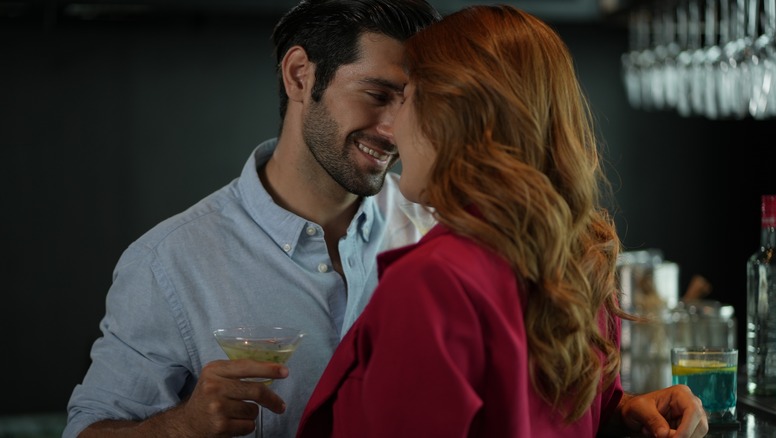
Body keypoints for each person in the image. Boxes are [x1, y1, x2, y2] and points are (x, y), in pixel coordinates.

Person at [295, 5, 709, 438]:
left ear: (454, 118)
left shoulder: (432, 280)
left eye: (409, 97)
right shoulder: (579, 261)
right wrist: (622, 414)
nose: (393, 128)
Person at [62, 1, 441, 437]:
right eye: (377, 96)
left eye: (412, 104)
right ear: (300, 74)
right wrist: (181, 427)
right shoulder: (167, 263)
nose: (396, 131)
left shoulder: (441, 233)